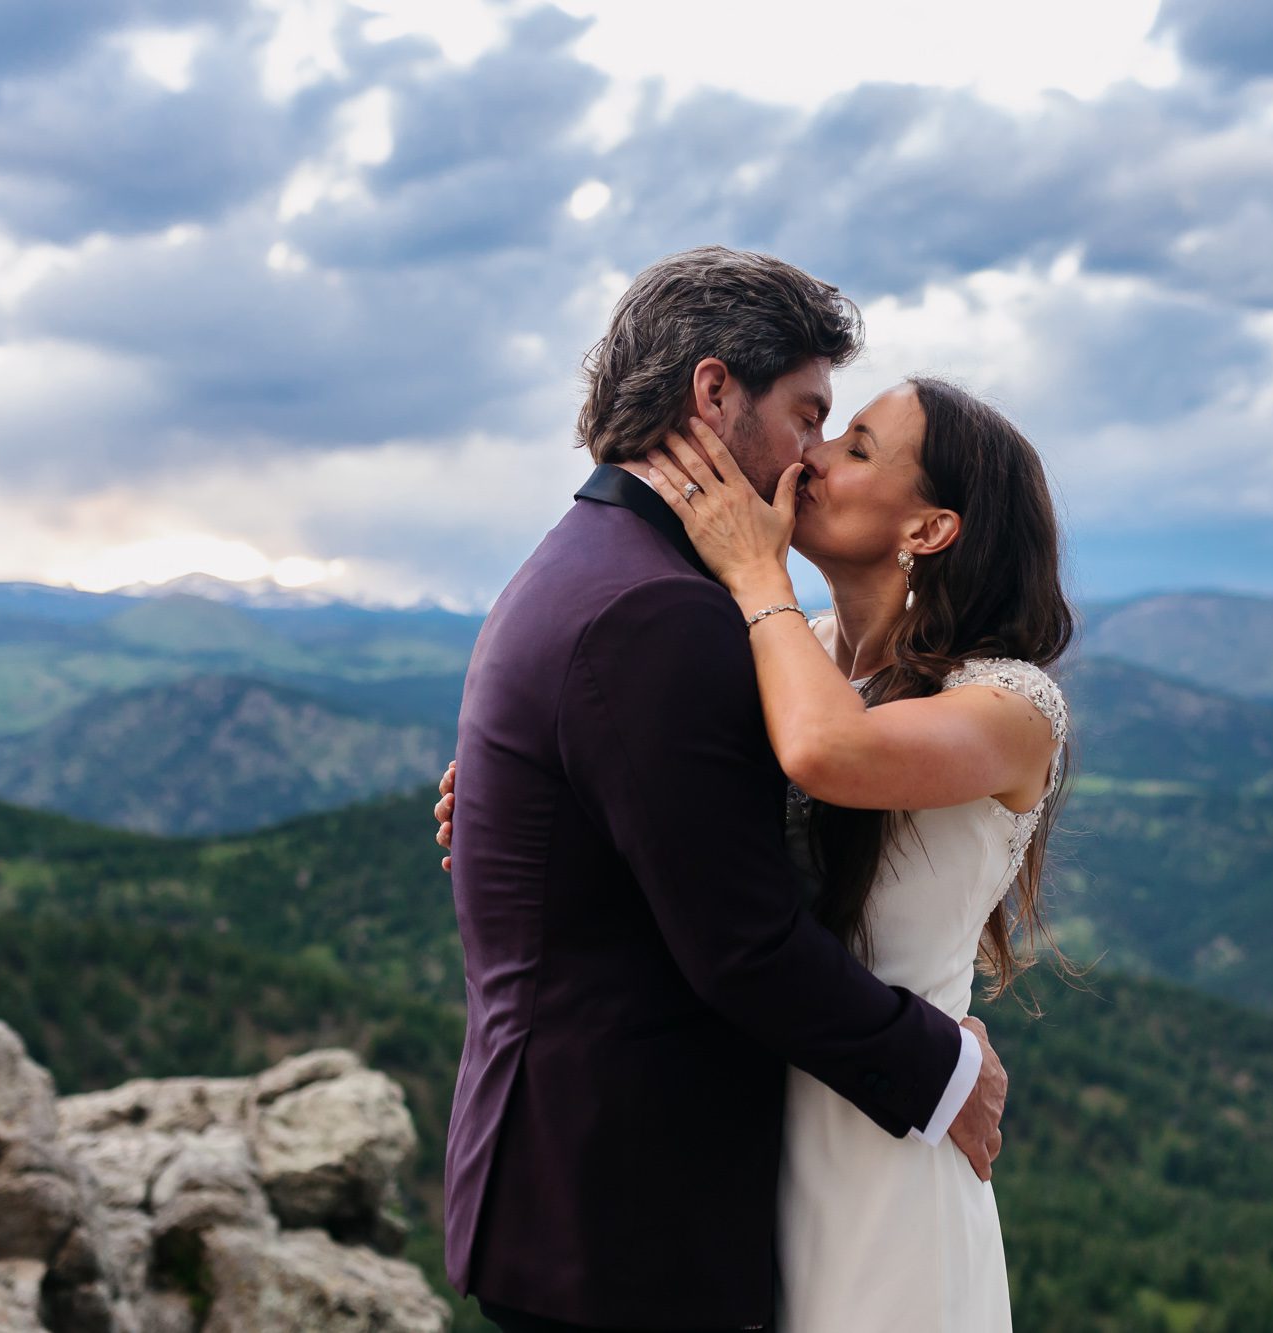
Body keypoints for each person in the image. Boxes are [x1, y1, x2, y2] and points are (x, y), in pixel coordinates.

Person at [434, 246, 1008, 1333]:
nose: (811, 458)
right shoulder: (659, 613)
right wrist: (943, 1067)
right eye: (806, 414)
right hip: (622, 1212)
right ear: (712, 392)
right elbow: (740, 939)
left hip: (577, 1193)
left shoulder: (593, 562)